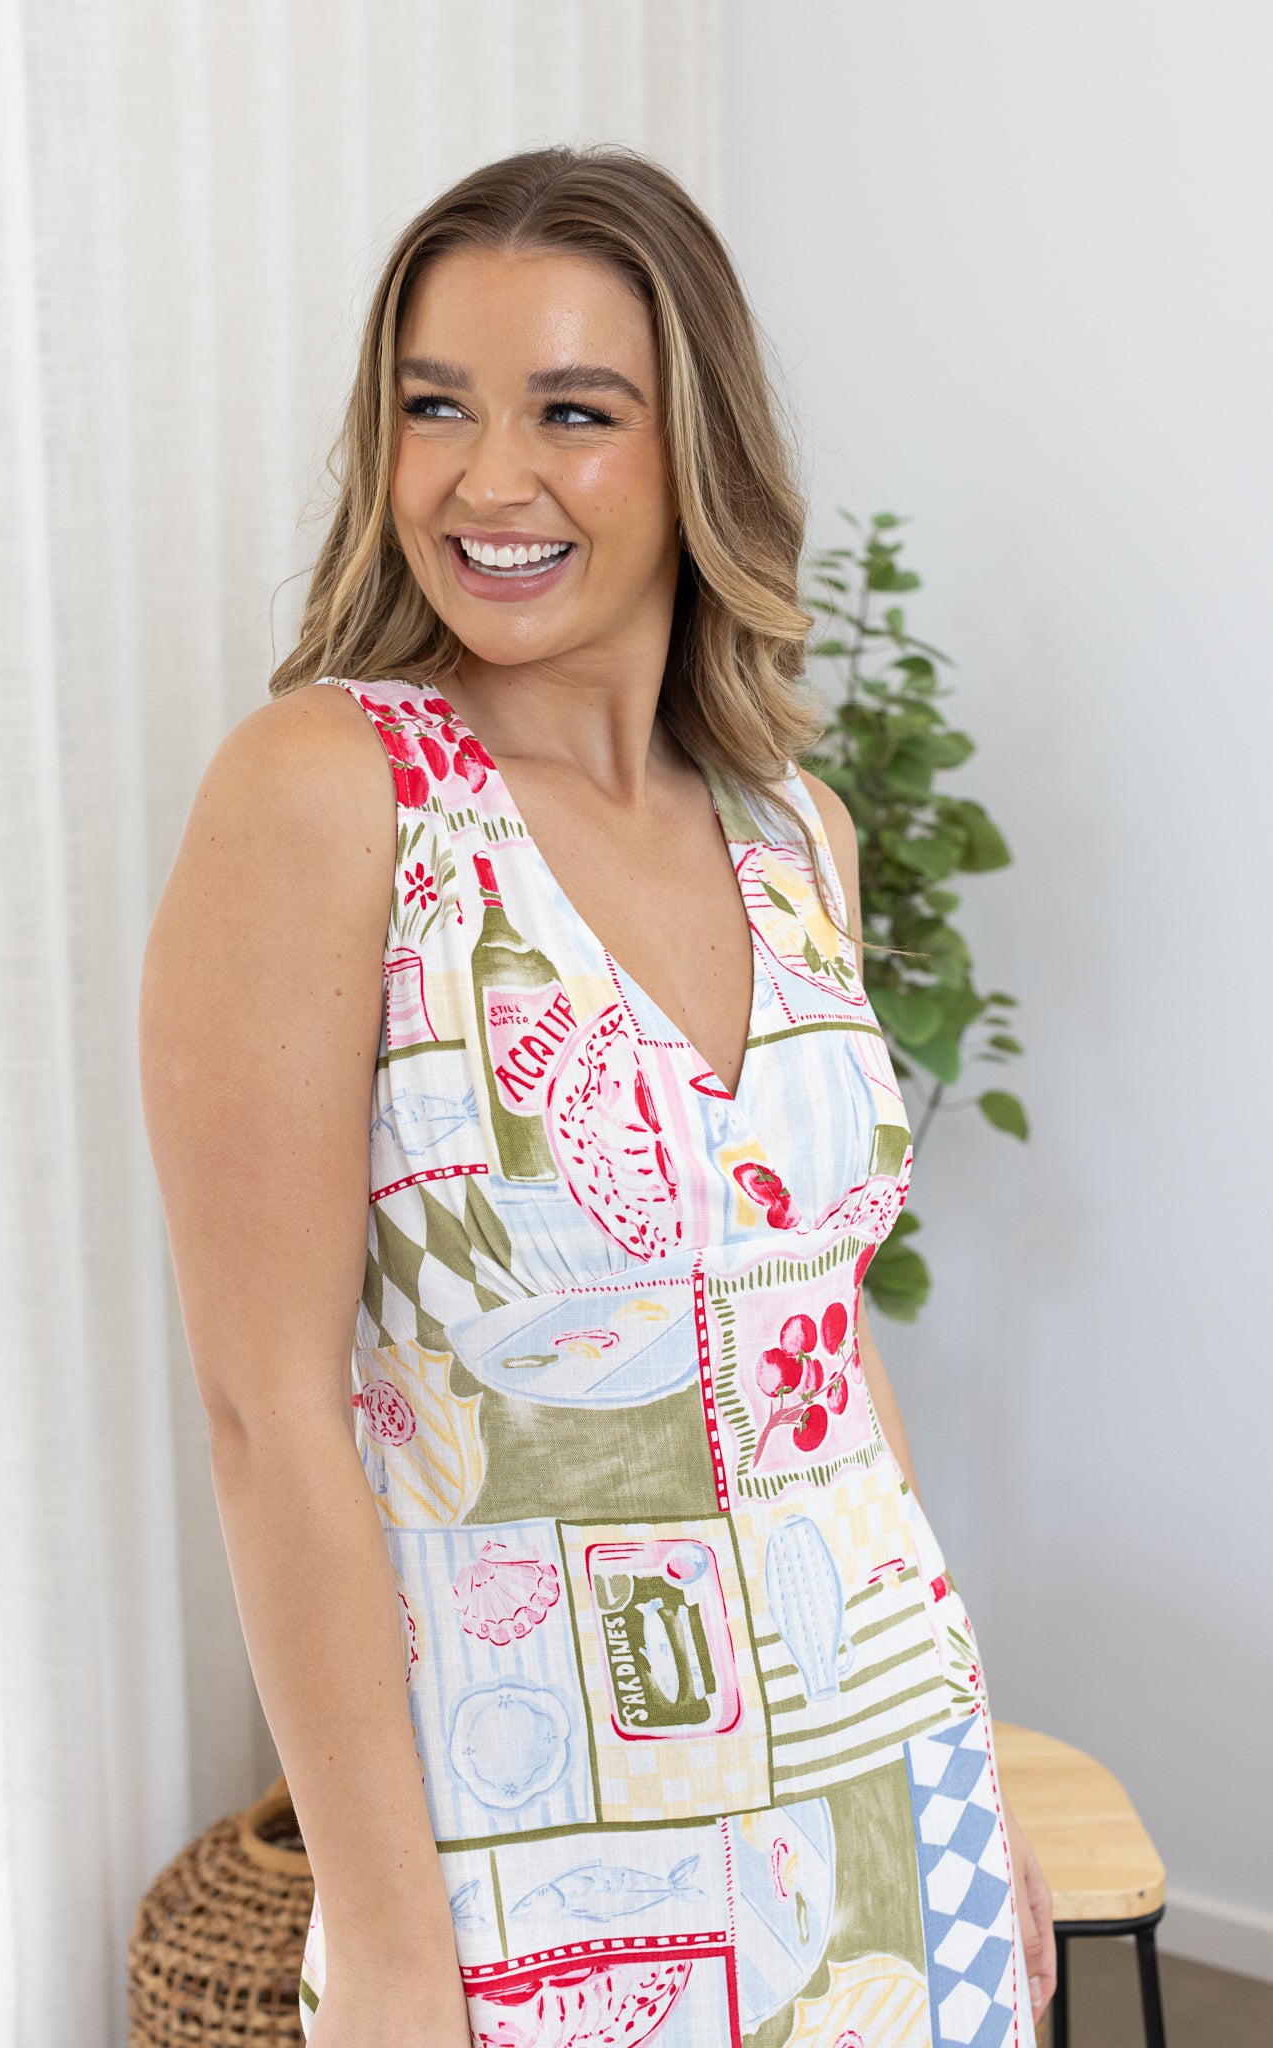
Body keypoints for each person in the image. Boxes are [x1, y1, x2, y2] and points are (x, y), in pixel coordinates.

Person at [140, 145, 1056, 2048]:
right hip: (533, 1861)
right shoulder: (330, 795)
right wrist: (389, 1951)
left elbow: (815, 1350)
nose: (489, 479)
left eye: (572, 411)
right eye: (435, 409)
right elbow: (264, 1416)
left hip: (889, 1812)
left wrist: (967, 1774)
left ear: (693, 447)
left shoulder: (796, 831)